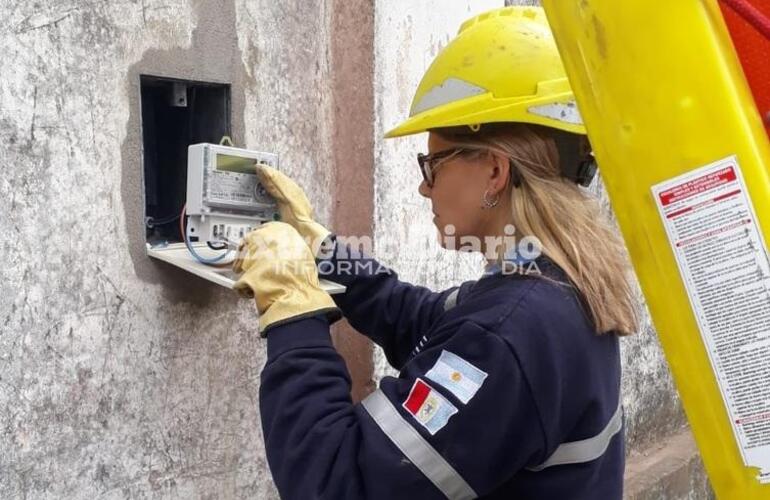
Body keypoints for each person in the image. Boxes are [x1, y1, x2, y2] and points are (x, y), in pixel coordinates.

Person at [233, 6, 638, 499]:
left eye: (433, 164)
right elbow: (424, 322)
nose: (425, 189)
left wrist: (292, 308)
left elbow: (340, 482)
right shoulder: (551, 284)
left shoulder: (510, 331)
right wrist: (322, 251)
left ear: (494, 170)